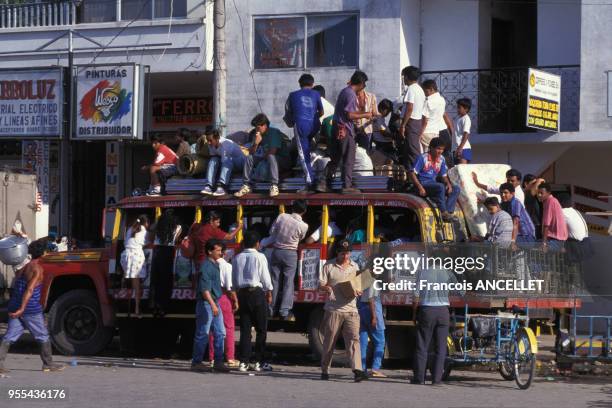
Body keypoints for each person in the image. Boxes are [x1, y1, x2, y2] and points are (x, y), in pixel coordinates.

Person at [0, 239, 64, 374]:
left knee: (9, 336)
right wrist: (22, 309)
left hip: (15, 305)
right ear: (44, 253)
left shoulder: (24, 267)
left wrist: (17, 308)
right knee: (42, 335)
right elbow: (29, 290)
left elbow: (17, 286)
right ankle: (48, 364)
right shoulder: (37, 269)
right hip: (30, 309)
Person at [319, 239, 368, 382]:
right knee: (329, 341)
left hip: (351, 310)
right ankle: (325, 370)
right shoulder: (328, 266)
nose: (346, 257)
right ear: (337, 253)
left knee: (354, 340)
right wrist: (327, 288)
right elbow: (320, 284)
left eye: (348, 253)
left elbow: (360, 285)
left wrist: (359, 290)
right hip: (333, 310)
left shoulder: (355, 266)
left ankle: (357, 370)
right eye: (342, 254)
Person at [317, 71, 374, 194]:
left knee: (336, 158)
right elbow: (349, 115)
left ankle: (322, 182)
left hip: (337, 128)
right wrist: (366, 114)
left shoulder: (345, 91)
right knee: (349, 158)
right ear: (361, 83)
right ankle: (347, 186)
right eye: (364, 85)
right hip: (345, 130)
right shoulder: (351, 94)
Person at [412, 254, 464, 385]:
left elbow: (415, 296)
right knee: (440, 348)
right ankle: (436, 380)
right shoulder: (447, 273)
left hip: (427, 311)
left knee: (422, 346)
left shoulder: (422, 273)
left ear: (430, 260)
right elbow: (460, 292)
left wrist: (414, 314)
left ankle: (419, 379)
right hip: (443, 312)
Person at [232, 231, 274, 372]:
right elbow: (265, 276)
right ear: (257, 244)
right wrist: (269, 291)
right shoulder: (260, 256)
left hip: (242, 294)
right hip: (257, 293)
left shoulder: (237, 258)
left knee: (245, 329)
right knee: (261, 329)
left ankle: (243, 362)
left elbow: (235, 280)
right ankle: (259, 362)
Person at [191, 240, 230, 373]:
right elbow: (204, 289)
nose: (221, 253)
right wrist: (213, 305)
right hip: (207, 303)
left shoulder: (215, 265)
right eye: (218, 250)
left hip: (214, 303)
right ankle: (196, 362)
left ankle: (218, 362)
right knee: (203, 333)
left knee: (220, 332)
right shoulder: (206, 267)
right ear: (210, 251)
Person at [268, 200, 309, 320]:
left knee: (274, 280)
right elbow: (301, 238)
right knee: (288, 281)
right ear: (304, 211)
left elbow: (271, 232)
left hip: (277, 251)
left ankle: (271, 307)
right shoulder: (304, 225)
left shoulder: (282, 216)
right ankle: (284, 310)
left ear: (292, 208)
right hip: (291, 253)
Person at [234, 114, 292, 198]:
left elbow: (273, 151)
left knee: (271, 156)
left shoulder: (273, 132)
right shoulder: (258, 134)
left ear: (264, 125)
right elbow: (251, 152)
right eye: (255, 127)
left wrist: (260, 160)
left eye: (258, 127)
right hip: (267, 158)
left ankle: (274, 185)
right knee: (249, 158)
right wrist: (256, 144)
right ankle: (246, 185)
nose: (256, 129)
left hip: (282, 160)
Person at [284, 74, 324, 193]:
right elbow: (321, 112)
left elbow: (288, 117)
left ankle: (310, 182)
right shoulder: (317, 94)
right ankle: (315, 174)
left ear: (299, 84)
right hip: (314, 125)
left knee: (303, 155)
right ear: (312, 84)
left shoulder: (292, 95)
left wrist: (293, 122)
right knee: (309, 149)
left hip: (301, 126)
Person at [409, 137, 461, 221]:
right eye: (438, 149)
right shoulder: (423, 158)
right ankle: (443, 212)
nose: (440, 151)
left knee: (456, 188)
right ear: (431, 148)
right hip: (423, 184)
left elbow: (444, 175)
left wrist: (448, 184)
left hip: (434, 184)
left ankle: (449, 212)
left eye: (442, 149)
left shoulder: (442, 159)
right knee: (440, 186)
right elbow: (412, 173)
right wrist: (420, 187)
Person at [208, 243, 239, 368]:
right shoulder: (227, 266)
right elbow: (229, 287)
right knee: (229, 328)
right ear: (224, 253)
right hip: (224, 297)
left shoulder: (208, 264)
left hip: (211, 296)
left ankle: (212, 357)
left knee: (213, 329)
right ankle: (230, 357)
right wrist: (236, 300)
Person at [200, 128, 246, 197]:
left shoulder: (226, 144)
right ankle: (209, 186)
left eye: (210, 140)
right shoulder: (210, 145)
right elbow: (215, 158)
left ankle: (222, 186)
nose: (209, 142)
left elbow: (225, 162)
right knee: (213, 159)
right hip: (228, 164)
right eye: (207, 140)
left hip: (239, 163)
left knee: (227, 159)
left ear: (217, 138)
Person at [120, 215, 150, 316]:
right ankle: (137, 309)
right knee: (137, 284)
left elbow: (126, 242)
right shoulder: (143, 230)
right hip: (136, 256)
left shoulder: (130, 228)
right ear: (145, 223)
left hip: (125, 255)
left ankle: (122, 288)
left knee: (128, 276)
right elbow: (147, 242)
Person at [398, 66, 426, 170]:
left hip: (411, 122)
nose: (403, 79)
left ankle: (420, 175)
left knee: (413, 150)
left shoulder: (411, 89)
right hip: (417, 121)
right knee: (409, 151)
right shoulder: (419, 89)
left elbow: (409, 108)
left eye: (404, 76)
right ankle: (412, 177)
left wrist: (403, 125)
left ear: (408, 77)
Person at [357, 284, 386, 378]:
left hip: (361, 310)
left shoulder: (360, 281)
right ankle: (375, 368)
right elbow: (371, 299)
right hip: (372, 311)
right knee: (380, 342)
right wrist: (374, 317)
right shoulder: (372, 282)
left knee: (363, 342)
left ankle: (361, 368)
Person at [419, 80, 453, 156]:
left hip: (426, 132)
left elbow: (425, 121)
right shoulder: (442, 100)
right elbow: (443, 115)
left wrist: (420, 134)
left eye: (425, 91)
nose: (425, 93)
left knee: (426, 155)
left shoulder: (428, 101)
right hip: (436, 132)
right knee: (434, 156)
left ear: (431, 89)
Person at [538, 183, 568, 252]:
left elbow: (546, 224)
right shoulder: (549, 201)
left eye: (541, 193)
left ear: (548, 193)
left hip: (556, 238)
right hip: (557, 238)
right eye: (538, 193)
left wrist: (544, 243)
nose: (539, 195)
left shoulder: (550, 201)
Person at [355, 87, 379, 151]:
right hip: (354, 130)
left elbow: (375, 114)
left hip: (367, 130)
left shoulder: (371, 97)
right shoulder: (351, 97)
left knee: (365, 153)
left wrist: (371, 118)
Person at [522, 174, 546, 239]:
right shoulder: (527, 193)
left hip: (537, 223)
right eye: (533, 183)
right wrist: (539, 180)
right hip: (534, 224)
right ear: (526, 184)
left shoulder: (532, 194)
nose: (536, 185)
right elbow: (540, 182)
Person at [453, 98, 473, 164]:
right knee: (457, 171)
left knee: (463, 171)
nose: (457, 110)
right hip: (457, 148)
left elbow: (466, 133)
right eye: (457, 107)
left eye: (459, 108)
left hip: (463, 149)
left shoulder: (466, 119)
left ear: (466, 109)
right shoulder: (459, 119)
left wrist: (460, 148)